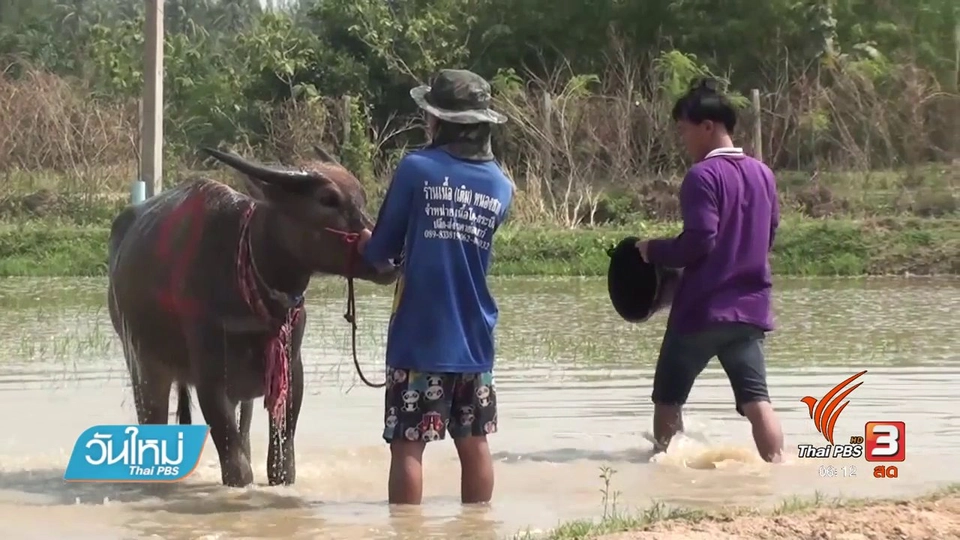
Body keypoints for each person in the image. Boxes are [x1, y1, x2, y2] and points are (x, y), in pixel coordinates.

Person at [357, 69, 514, 504]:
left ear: (441, 122)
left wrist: (368, 244)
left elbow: (381, 252)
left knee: (408, 445)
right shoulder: (501, 185)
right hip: (474, 337)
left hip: (418, 337)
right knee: (474, 440)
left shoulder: (417, 168)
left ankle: (406, 531)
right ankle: (478, 529)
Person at [635, 79, 785, 462]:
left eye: (684, 130)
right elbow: (768, 234)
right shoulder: (763, 174)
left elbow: (699, 240)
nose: (682, 139)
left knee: (668, 398)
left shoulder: (702, 176)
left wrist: (653, 250)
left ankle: (667, 471)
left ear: (707, 126)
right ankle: (780, 471)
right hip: (749, 310)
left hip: (700, 311)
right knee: (757, 401)